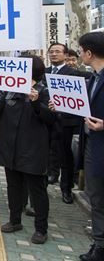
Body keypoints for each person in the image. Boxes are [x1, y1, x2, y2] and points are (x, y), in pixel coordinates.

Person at [0, 55, 54, 245]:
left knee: (37, 189)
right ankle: (14, 220)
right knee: (13, 185)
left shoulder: (45, 91)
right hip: (9, 146)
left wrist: (36, 102)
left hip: (33, 148)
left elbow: (51, 120)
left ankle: (41, 229)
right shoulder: (10, 90)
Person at [45, 43, 84, 203]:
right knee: (47, 153)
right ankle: (50, 176)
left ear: (65, 55)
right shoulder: (44, 73)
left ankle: (66, 189)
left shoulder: (74, 74)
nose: (54, 54)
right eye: (51, 52)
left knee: (65, 156)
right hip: (45, 121)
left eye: (58, 52)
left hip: (65, 122)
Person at [77, 32, 104, 261]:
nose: (79, 55)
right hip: (92, 147)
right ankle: (99, 244)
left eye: (80, 51)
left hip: (100, 145)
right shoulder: (93, 78)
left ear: (89, 52)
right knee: (96, 198)